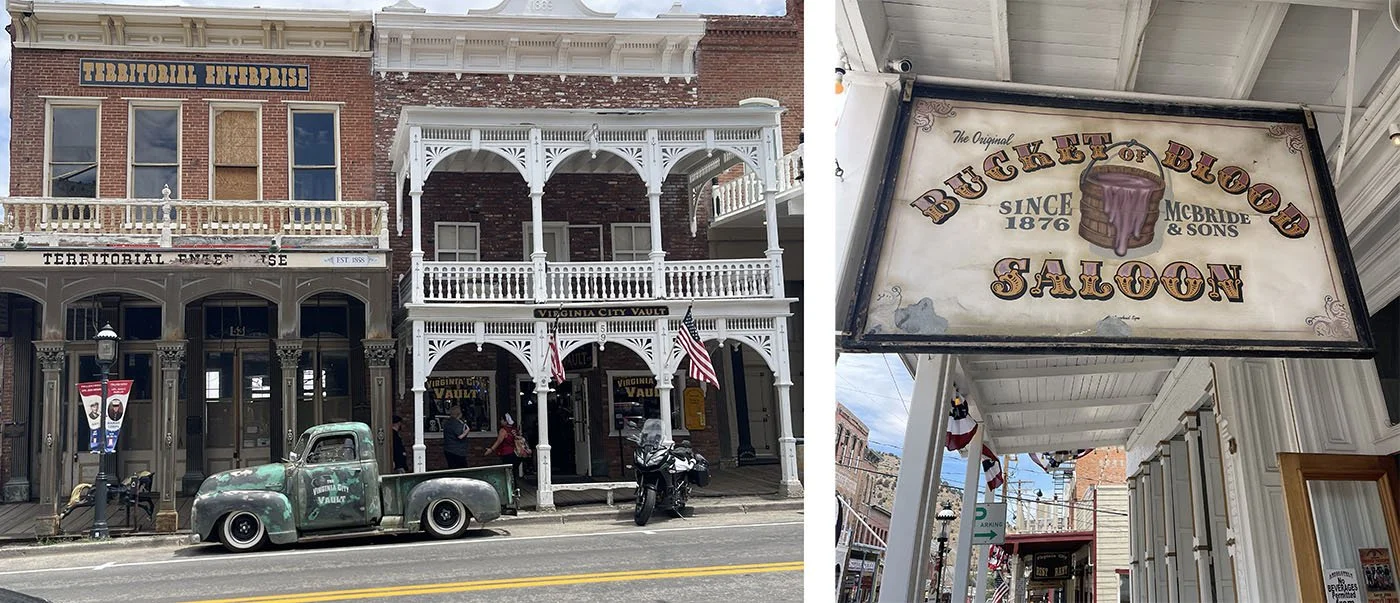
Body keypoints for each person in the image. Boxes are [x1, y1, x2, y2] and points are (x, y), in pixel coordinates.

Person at [484, 413, 525, 481]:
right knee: (514, 473)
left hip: (507, 454)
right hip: (517, 454)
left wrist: (491, 449)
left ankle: (510, 488)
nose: (501, 421)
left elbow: (498, 441)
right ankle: (514, 488)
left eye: (502, 420)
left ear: (506, 421)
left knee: (508, 473)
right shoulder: (515, 430)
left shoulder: (503, 430)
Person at [442, 402, 470, 469]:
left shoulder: (447, 423)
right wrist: (467, 430)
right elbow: (460, 436)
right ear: (459, 414)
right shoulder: (457, 423)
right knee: (462, 470)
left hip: (448, 449)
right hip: (458, 451)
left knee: (451, 468)